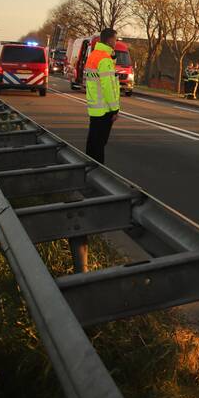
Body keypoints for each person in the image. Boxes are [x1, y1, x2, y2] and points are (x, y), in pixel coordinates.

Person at [80, 27, 121, 272]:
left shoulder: (93, 56)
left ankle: (89, 169)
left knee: (92, 141)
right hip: (104, 108)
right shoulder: (105, 59)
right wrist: (115, 108)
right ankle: (98, 177)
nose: (117, 43)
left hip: (94, 107)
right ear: (110, 40)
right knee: (99, 145)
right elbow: (108, 86)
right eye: (115, 39)